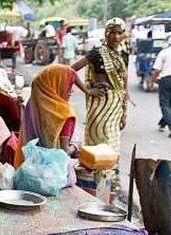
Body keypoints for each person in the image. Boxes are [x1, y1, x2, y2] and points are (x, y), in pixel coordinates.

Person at [71, 17, 130, 192]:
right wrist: (87, 91)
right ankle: (97, 190)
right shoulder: (97, 53)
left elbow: (124, 85)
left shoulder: (123, 55)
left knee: (112, 148)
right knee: (101, 148)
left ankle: (106, 190)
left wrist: (124, 113)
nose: (116, 36)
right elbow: (71, 70)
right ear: (106, 33)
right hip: (101, 108)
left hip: (116, 107)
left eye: (120, 33)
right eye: (112, 32)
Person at [14, 63, 102, 165]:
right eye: (67, 84)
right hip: (53, 173)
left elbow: (71, 72)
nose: (71, 90)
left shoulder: (33, 108)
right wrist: (75, 146)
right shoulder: (63, 114)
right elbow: (64, 152)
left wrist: (87, 91)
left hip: (28, 170)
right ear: (54, 87)